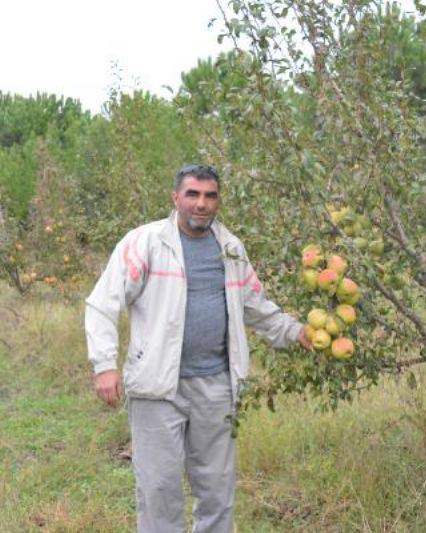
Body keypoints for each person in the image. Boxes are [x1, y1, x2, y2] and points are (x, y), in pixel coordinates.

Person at [85, 164, 312, 532]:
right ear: (176, 198)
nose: (201, 204)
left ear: (219, 201)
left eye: (210, 196)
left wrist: (296, 332)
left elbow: (256, 306)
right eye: (192, 194)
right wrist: (104, 364)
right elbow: (102, 303)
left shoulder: (230, 248)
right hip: (158, 387)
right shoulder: (144, 243)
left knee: (217, 491)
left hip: (217, 387)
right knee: (159, 489)